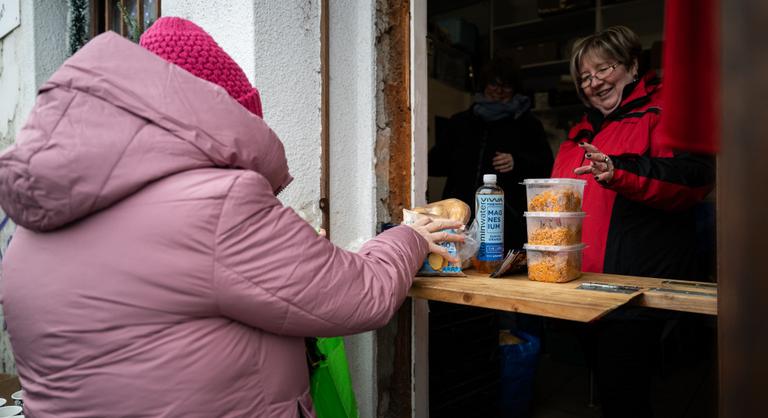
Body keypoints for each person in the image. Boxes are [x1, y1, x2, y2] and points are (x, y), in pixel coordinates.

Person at [0, 17, 462, 417]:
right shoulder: (218, 205)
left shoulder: (35, 222)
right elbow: (362, 294)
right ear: (217, 118)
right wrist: (410, 235)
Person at [551, 26, 715, 417]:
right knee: (607, 385)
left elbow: (693, 178)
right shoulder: (579, 132)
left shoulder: (663, 114)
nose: (594, 84)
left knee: (625, 395)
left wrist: (619, 171)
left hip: (631, 288)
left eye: (603, 69)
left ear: (631, 66)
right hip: (580, 287)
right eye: (585, 78)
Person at [429, 53, 553, 251]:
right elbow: (434, 163)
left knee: (500, 271)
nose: (499, 91)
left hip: (507, 223)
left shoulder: (528, 124)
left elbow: (547, 166)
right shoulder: (460, 122)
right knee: (456, 265)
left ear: (515, 89)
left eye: (506, 86)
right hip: (458, 219)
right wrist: (459, 156)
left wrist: (517, 162)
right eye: (494, 84)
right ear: (483, 85)